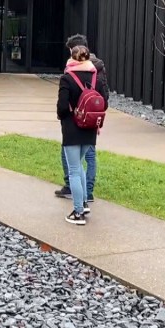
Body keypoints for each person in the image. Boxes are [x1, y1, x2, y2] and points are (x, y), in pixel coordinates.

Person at [57, 44, 109, 225]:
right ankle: (84, 203)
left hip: (72, 128)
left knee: (73, 169)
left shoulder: (67, 77)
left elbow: (62, 106)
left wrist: (64, 117)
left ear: (72, 57)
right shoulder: (96, 77)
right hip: (90, 128)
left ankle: (78, 212)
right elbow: (104, 102)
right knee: (79, 165)